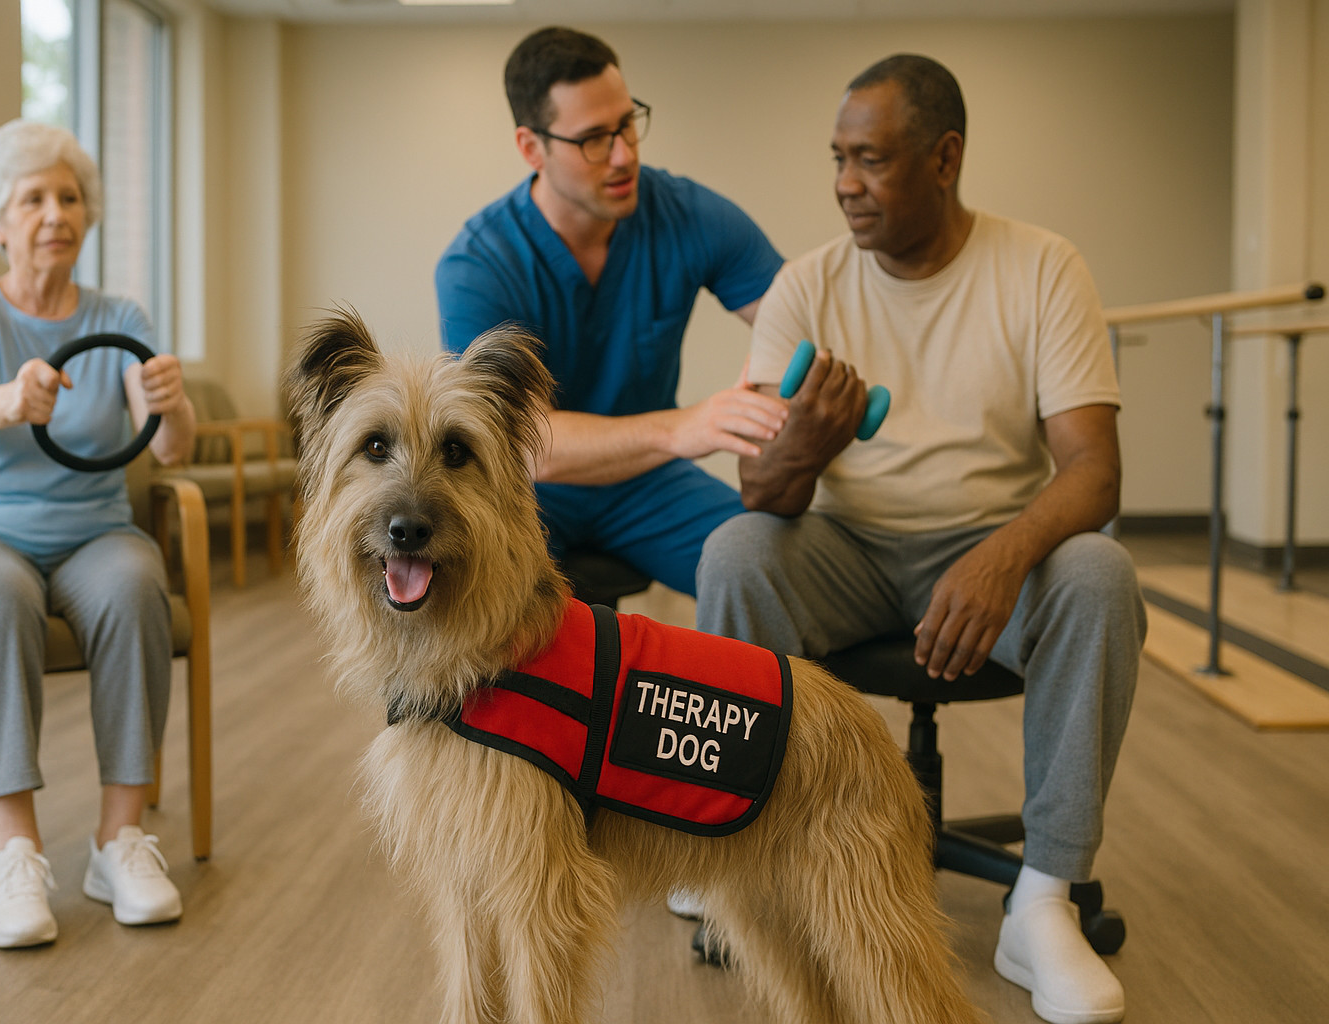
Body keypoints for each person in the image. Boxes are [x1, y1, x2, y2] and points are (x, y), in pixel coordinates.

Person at [695, 56, 1144, 1024]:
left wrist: (1002, 553)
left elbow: (1093, 471)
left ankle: (1044, 901)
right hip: (846, 549)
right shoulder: (807, 286)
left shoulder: (1041, 266)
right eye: (838, 159)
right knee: (735, 551)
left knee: (1098, 572)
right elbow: (758, 491)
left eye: (871, 160)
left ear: (945, 159)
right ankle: (733, 844)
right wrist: (805, 445)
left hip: (994, 546)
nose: (846, 184)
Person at [0, 119, 198, 949]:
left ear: (88, 214)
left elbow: (170, 449)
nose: (54, 212)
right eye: (32, 198)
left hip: (93, 533)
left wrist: (173, 403)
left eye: (68, 197)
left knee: (138, 580)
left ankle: (118, 840)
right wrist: (11, 397)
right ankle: (15, 849)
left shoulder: (121, 316)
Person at [435, 26, 788, 598]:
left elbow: (797, 325)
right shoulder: (477, 264)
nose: (624, 154)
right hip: (524, 491)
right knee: (482, 608)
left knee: (773, 568)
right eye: (594, 138)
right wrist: (687, 427)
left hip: (645, 480)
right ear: (532, 148)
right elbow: (522, 443)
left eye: (627, 123)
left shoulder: (689, 215)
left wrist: (780, 396)